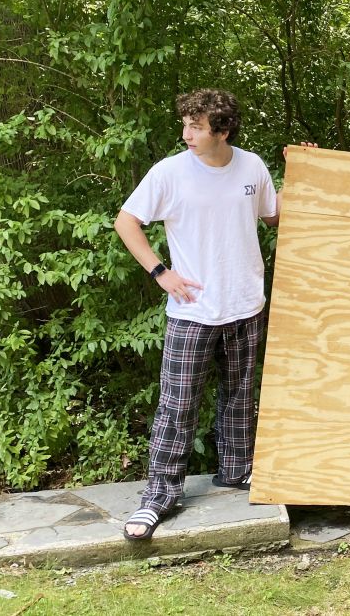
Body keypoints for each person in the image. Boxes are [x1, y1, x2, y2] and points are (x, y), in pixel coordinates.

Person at [115, 89, 279, 540]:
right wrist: (160, 271)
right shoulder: (169, 173)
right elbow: (126, 221)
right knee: (177, 405)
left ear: (222, 131)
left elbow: (273, 216)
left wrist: (313, 175)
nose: (185, 133)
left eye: (196, 126)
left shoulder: (252, 166)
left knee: (240, 397)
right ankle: (160, 496)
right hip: (192, 311)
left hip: (246, 305)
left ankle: (237, 470)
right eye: (185, 123)